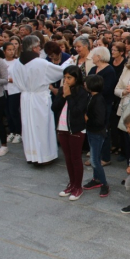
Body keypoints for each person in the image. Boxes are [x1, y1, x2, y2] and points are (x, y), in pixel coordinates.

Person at [12, 36, 74, 164]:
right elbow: (60, 71)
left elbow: (16, 80)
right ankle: (44, 156)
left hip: (26, 98)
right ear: (34, 47)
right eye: (39, 46)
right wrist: (70, 61)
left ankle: (31, 155)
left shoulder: (17, 62)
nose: (40, 48)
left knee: (28, 126)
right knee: (42, 126)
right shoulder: (40, 62)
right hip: (39, 98)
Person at [52, 66, 88, 200]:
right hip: (62, 128)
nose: (66, 80)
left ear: (76, 78)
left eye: (69, 78)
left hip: (76, 129)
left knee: (76, 158)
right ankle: (71, 184)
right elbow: (54, 107)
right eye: (65, 77)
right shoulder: (62, 89)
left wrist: (69, 96)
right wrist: (63, 95)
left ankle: (78, 187)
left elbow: (77, 111)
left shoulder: (82, 92)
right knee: (67, 158)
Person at [84, 47, 117, 167]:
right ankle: (94, 156)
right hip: (92, 103)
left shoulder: (109, 71)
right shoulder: (93, 68)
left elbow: (108, 89)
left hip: (104, 104)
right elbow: (86, 83)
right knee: (92, 129)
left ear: (99, 56)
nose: (92, 57)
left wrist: (93, 92)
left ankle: (105, 157)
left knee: (103, 130)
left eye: (94, 55)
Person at [82, 75, 110, 198]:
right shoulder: (92, 97)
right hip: (92, 131)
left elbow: (99, 120)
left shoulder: (98, 100)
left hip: (97, 133)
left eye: (86, 83)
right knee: (96, 158)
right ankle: (96, 179)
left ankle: (104, 184)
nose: (84, 84)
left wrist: (87, 119)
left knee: (94, 160)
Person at [3, 42, 22, 144]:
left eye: (12, 49)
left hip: (15, 90)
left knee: (14, 111)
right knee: (7, 112)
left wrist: (10, 79)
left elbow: (19, 76)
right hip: (4, 89)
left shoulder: (17, 62)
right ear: (4, 51)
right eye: (9, 50)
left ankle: (18, 132)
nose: (11, 52)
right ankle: (11, 131)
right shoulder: (1, 62)